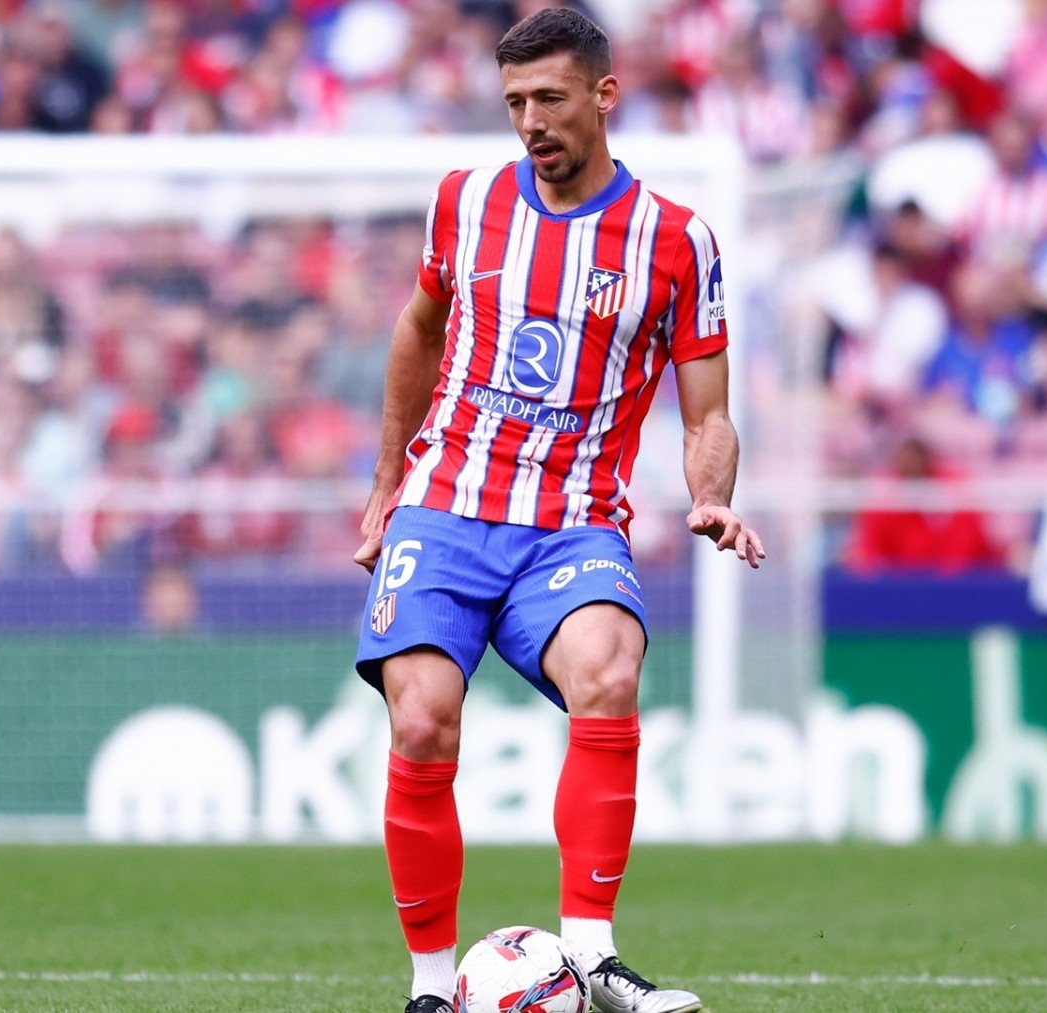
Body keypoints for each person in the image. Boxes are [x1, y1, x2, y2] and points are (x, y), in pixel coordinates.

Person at [351, 10, 763, 1013]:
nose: (529, 121)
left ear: (603, 95)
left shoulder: (676, 241)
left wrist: (711, 495)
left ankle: (593, 955)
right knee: (422, 718)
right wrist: (383, 487)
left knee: (611, 670)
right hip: (446, 504)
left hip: (573, 522)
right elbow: (418, 331)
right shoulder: (467, 200)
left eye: (549, 99)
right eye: (514, 103)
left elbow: (707, 410)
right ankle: (429, 987)